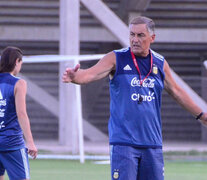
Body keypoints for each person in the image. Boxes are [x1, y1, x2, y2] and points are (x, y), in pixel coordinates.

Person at [62, 16, 207, 180]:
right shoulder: (116, 58)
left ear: (152, 38)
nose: (135, 40)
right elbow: (90, 74)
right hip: (124, 143)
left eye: (140, 35)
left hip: (152, 143)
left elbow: (177, 91)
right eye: (132, 35)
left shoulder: (159, 63)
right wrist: (76, 77)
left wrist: (202, 116)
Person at [0, 47, 37, 180]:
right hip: (12, 143)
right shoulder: (18, 83)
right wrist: (30, 142)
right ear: (17, 61)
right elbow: (21, 113)